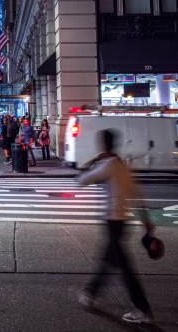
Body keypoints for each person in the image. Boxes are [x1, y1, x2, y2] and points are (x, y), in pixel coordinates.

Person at [78, 129, 154, 325]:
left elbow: (82, 180)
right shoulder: (122, 164)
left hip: (112, 221)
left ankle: (143, 309)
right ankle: (90, 293)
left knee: (124, 268)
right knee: (108, 260)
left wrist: (94, 161)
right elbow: (137, 194)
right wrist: (147, 223)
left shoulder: (110, 165)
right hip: (122, 222)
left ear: (103, 145)